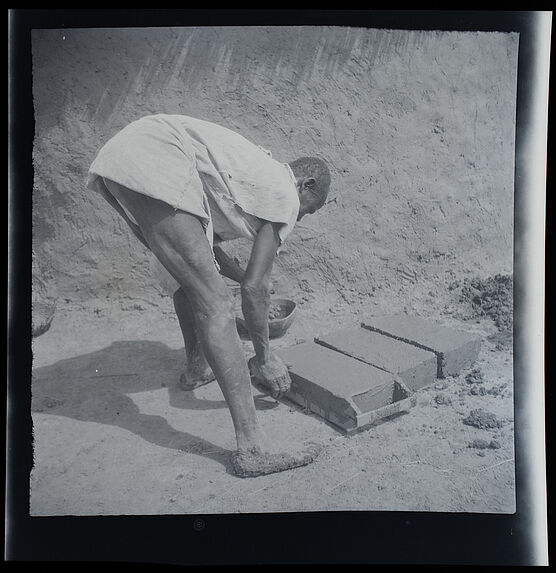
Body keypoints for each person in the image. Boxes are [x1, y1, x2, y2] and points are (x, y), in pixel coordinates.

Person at [87, 114, 331, 477]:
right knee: (217, 303)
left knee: (197, 285)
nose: (304, 216)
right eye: (312, 208)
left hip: (127, 156)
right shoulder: (285, 192)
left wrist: (248, 282)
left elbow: (212, 256)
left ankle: (197, 368)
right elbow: (253, 288)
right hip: (157, 154)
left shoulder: (248, 178)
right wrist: (265, 356)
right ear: (306, 184)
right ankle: (253, 448)